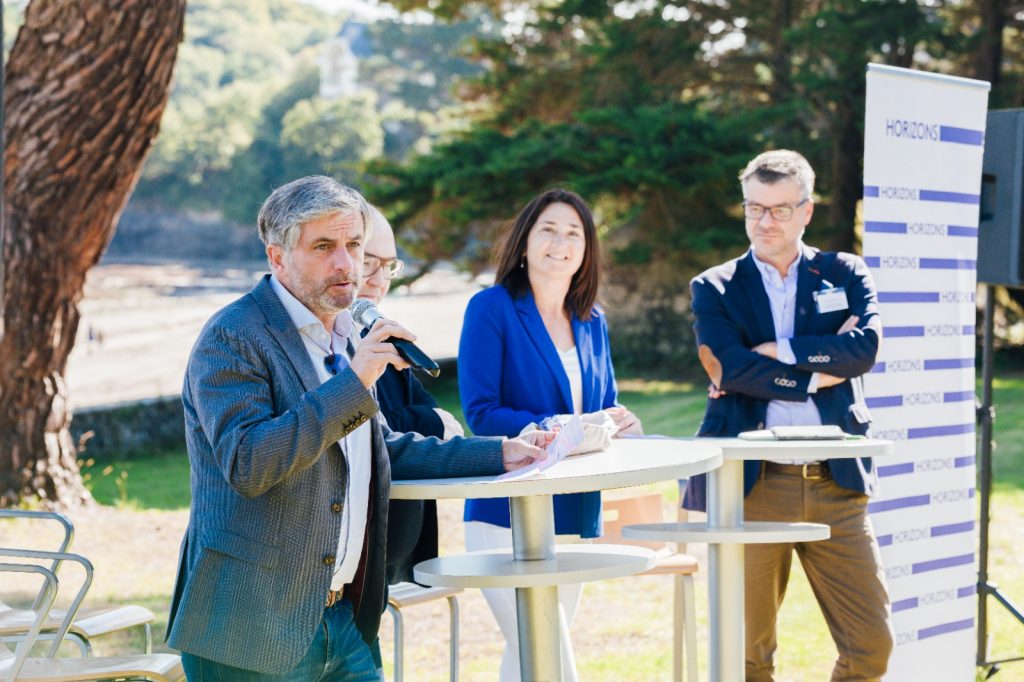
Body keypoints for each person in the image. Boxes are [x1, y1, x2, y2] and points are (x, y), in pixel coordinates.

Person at [166, 175, 549, 681]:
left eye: (353, 246)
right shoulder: (233, 337)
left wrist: (499, 451)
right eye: (323, 247)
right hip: (250, 630)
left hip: (342, 620)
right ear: (277, 256)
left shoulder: (342, 335)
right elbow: (250, 462)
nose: (347, 265)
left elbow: (378, 449)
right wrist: (356, 380)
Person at [684, 150, 893, 681]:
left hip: (837, 487)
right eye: (754, 208)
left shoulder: (844, 272)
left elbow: (863, 349)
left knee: (871, 648)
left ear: (807, 211)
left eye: (779, 210)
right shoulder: (715, 286)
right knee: (747, 657)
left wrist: (780, 349)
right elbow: (730, 369)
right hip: (754, 487)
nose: (764, 222)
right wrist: (816, 371)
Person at [458, 188, 642, 681]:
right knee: (550, 657)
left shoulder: (592, 321)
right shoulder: (490, 308)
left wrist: (622, 422)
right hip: (507, 512)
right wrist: (554, 428)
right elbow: (480, 411)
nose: (560, 243)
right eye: (548, 230)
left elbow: (601, 408)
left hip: (572, 506)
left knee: (529, 657)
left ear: (586, 251)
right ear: (523, 244)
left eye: (573, 234)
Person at [357, 206, 465, 679]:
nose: (379, 279)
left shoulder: (385, 338)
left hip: (387, 555)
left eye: (389, 265)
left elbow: (444, 424)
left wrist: (418, 423)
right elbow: (382, 436)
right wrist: (419, 423)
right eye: (368, 261)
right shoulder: (328, 348)